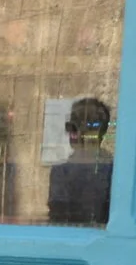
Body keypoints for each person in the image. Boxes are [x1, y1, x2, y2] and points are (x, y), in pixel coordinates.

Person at [47, 97, 113, 227]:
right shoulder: (115, 168)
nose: (68, 133)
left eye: (70, 127)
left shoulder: (62, 171)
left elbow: (57, 218)